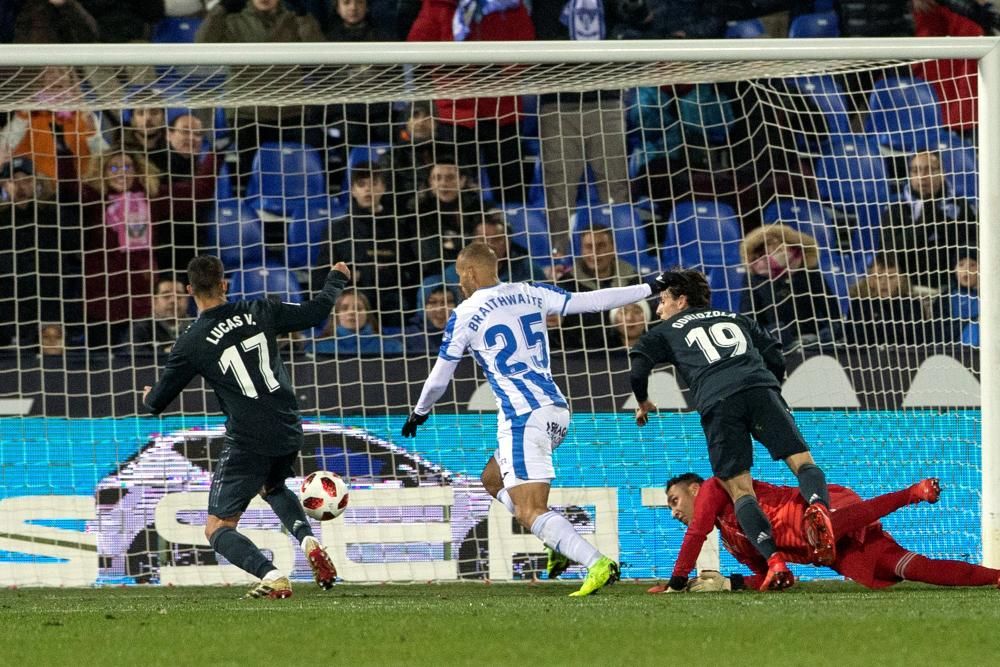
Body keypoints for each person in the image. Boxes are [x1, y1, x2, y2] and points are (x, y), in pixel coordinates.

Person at [401, 241, 667, 596]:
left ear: (468, 272)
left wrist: (420, 412)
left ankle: (596, 562)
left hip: (522, 416)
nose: (458, 282)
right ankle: (558, 542)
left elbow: (438, 379)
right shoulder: (531, 291)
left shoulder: (465, 313)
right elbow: (595, 300)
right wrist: (652, 286)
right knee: (493, 480)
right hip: (556, 410)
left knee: (530, 509)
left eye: (459, 275)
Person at [142, 255, 352, 599]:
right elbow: (315, 314)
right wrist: (335, 279)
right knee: (272, 485)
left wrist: (148, 396)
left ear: (189, 290)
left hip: (248, 438)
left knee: (217, 528)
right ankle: (308, 540)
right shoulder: (260, 309)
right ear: (225, 284)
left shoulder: (191, 341)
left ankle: (271, 575)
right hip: (288, 426)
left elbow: (157, 404)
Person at [629, 269, 836, 592]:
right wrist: (770, 389)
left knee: (740, 490)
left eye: (663, 300)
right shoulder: (735, 317)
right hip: (761, 390)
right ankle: (819, 509)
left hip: (718, 401)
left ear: (681, 300)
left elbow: (638, 365)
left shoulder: (666, 329)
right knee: (803, 463)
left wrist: (642, 401)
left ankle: (775, 563)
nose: (659, 309)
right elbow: (773, 354)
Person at [651, 472, 1000, 593]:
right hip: (827, 554)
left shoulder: (716, 485)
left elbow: (696, 533)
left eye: (674, 500)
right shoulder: (731, 541)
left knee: (824, 527)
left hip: (812, 511)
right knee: (911, 568)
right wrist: (732, 583)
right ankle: (996, 578)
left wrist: (676, 581)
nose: (674, 511)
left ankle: (912, 493)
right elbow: (772, 578)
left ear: (695, 489)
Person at [878, 151, 977, 291]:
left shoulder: (961, 206)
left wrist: (933, 213)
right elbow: (890, 254)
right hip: (908, 291)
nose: (922, 177)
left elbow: (969, 246)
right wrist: (927, 219)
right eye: (915, 171)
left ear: (942, 173)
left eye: (929, 170)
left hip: (954, 289)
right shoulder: (896, 209)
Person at [128, 278, 192, 358]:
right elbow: (134, 359)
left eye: (179, 296)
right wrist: (164, 352)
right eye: (166, 296)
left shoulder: (198, 327)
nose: (173, 301)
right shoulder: (140, 329)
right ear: (154, 301)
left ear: (187, 300)